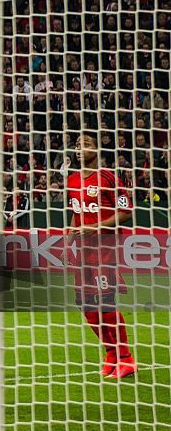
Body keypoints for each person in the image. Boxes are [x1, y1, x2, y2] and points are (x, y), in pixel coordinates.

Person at [66, 134, 135, 379]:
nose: (79, 149)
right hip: (84, 250)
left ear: (96, 148)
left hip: (106, 248)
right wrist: (69, 241)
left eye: (85, 144)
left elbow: (126, 211)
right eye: (76, 145)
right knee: (85, 305)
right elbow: (76, 214)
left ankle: (126, 358)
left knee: (105, 302)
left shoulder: (108, 177)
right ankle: (111, 354)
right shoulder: (72, 181)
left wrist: (94, 227)